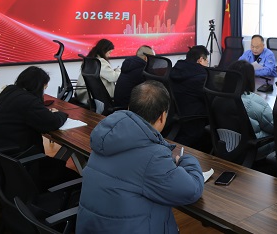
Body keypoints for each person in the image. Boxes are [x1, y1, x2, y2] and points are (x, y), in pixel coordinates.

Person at [76, 81, 204, 234]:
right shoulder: (152, 156)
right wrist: (187, 160)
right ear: (162, 117)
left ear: (129, 108)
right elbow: (191, 191)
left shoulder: (104, 136)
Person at [0, 66, 79, 189]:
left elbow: (26, 114)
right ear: (39, 86)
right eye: (44, 87)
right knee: (74, 177)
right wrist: (61, 114)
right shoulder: (29, 101)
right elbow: (52, 122)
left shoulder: (9, 92)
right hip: (16, 163)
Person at [228, 60, 275, 159]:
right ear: (250, 79)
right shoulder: (252, 101)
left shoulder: (218, 96)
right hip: (252, 148)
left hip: (227, 143)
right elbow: (274, 127)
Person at [168, 45, 210, 150]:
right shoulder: (200, 78)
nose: (207, 64)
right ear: (201, 60)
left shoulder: (175, 70)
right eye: (207, 61)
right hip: (195, 120)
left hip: (180, 115)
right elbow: (211, 100)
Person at [75, 39, 120, 105]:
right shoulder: (100, 62)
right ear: (104, 51)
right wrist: (119, 70)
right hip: (92, 97)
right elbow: (113, 77)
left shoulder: (92, 60)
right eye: (109, 53)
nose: (109, 56)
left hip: (84, 95)